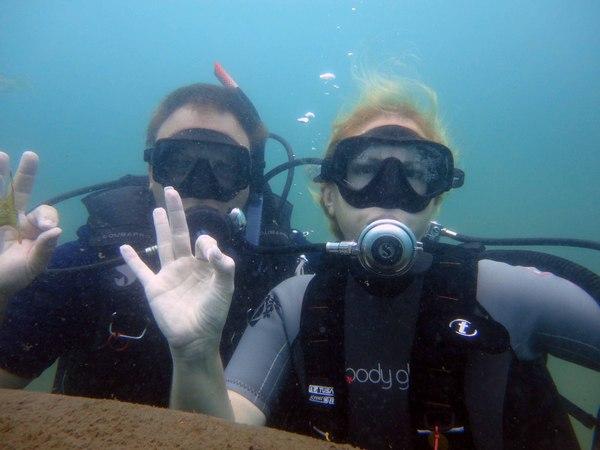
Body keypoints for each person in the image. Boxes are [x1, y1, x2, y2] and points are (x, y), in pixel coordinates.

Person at [120, 76, 600, 449]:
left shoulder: (507, 292)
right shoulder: (293, 303)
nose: (389, 191)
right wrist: (195, 352)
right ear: (329, 196)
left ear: (436, 198)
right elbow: (218, 436)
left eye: (415, 173)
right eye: (365, 169)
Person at [0, 80, 306, 406]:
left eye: (225, 167)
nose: (201, 185)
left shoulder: (290, 272)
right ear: (151, 171)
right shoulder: (90, 265)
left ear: (251, 180)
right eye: (178, 162)